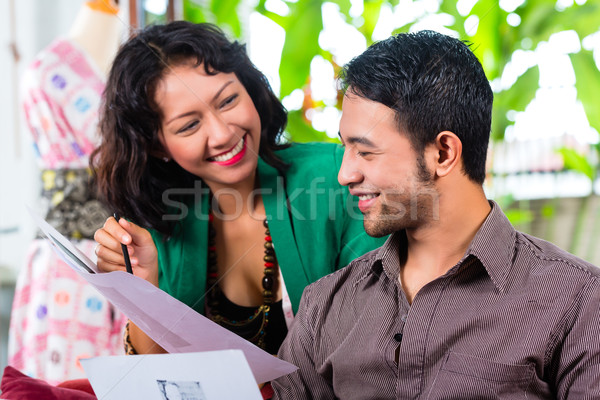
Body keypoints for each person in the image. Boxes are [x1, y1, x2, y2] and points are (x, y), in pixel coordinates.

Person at [272, 30, 600, 399]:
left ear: (442, 153)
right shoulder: (325, 306)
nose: (345, 174)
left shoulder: (580, 301)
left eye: (365, 152)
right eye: (345, 148)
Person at [91, 20, 385, 359]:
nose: (221, 134)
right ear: (157, 146)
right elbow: (154, 378)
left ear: (249, 89)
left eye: (228, 100)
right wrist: (141, 288)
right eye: (189, 125)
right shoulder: (156, 225)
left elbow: (378, 337)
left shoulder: (336, 177)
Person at [8, 0, 127, 384]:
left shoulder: (132, 60)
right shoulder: (49, 69)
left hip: (128, 251)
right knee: (66, 381)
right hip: (68, 257)